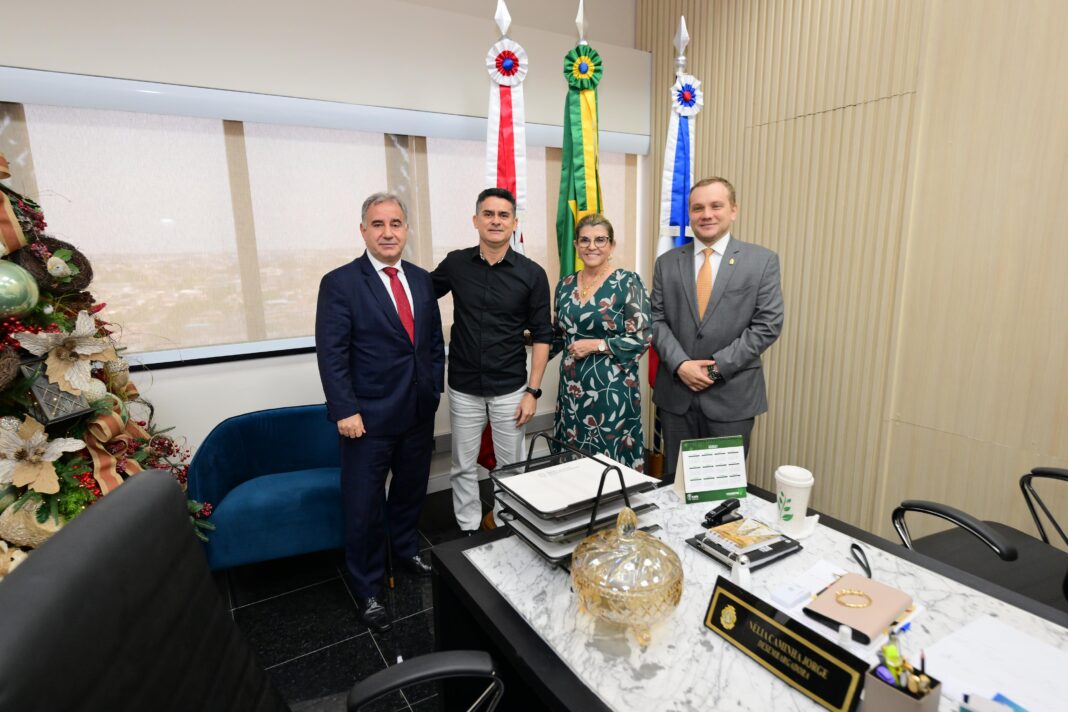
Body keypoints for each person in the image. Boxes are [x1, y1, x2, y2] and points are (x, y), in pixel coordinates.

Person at [315, 192, 445, 634]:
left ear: (406, 229)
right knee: (363, 506)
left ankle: (405, 550)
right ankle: (367, 587)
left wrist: (433, 388)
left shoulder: (421, 279)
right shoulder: (341, 283)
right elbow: (332, 353)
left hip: (417, 411)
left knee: (410, 492)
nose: (388, 232)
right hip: (366, 420)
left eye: (395, 223)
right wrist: (345, 410)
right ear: (363, 231)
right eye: (378, 224)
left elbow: (432, 343)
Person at [432, 187, 553, 534]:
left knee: (511, 467)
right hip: (464, 386)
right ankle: (469, 528)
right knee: (462, 466)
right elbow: (417, 295)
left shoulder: (532, 274)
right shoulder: (456, 264)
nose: (495, 221)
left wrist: (533, 391)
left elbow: (542, 335)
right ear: (476, 220)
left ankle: (504, 525)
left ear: (514, 223)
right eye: (488, 214)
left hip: (510, 388)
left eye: (503, 215)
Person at [651, 177, 784, 482]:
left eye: (716, 206)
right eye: (698, 208)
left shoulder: (762, 261)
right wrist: (681, 365)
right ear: (690, 214)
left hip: (731, 398)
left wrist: (715, 369)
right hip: (676, 397)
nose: (706, 214)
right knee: (677, 486)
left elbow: (768, 324)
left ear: (733, 210)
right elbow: (655, 319)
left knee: (721, 489)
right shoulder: (667, 263)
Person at [551, 214, 651, 470]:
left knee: (609, 459)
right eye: (584, 240)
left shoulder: (627, 282)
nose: (591, 246)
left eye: (600, 240)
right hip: (572, 388)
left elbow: (642, 338)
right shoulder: (565, 285)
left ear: (612, 245)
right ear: (576, 245)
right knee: (574, 459)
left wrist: (597, 345)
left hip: (612, 389)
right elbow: (556, 335)